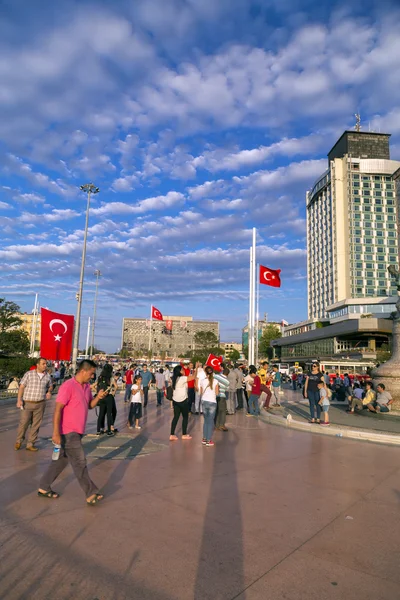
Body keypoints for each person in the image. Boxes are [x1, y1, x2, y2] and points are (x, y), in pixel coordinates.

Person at [37, 359, 107, 504]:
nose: (92, 376)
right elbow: (57, 410)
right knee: (79, 462)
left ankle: (44, 487)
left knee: (60, 461)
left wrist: (98, 398)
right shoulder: (67, 386)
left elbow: (89, 405)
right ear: (83, 371)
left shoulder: (86, 387)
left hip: (78, 431)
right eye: (91, 373)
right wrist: (55, 432)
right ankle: (91, 493)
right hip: (68, 432)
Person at [15, 357, 53, 452]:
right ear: (38, 364)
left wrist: (49, 392)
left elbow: (51, 386)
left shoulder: (47, 376)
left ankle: (30, 443)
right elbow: (22, 387)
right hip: (27, 403)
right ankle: (19, 441)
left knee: (36, 425)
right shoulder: (29, 374)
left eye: (46, 364)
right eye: (43, 364)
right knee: (24, 423)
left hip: (40, 404)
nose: (45, 366)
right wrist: (19, 400)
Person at [170, 365, 194, 441]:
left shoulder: (174, 379)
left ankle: (172, 434)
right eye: (182, 370)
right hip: (183, 400)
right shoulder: (182, 378)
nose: (184, 371)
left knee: (176, 417)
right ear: (179, 371)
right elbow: (193, 378)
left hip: (175, 400)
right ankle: (184, 434)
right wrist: (196, 369)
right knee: (185, 417)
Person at [95, 364, 117, 436]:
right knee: (109, 413)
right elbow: (115, 386)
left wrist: (98, 393)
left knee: (101, 413)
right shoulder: (110, 378)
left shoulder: (100, 377)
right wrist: (113, 392)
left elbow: (96, 386)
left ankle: (99, 429)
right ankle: (109, 430)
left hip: (101, 397)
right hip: (109, 397)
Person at [200, 366, 219, 446]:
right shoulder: (216, 381)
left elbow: (201, 392)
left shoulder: (202, 381)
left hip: (204, 401)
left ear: (205, 372)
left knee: (206, 421)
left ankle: (204, 438)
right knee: (210, 421)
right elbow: (217, 393)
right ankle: (209, 440)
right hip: (212, 402)